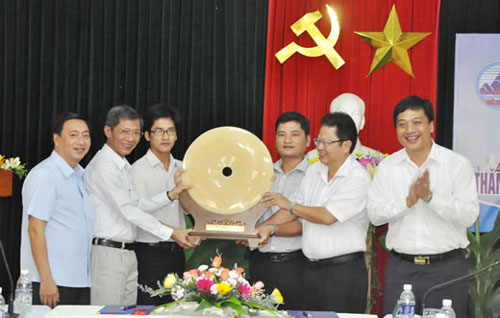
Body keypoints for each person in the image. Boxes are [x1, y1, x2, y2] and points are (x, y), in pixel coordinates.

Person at [367, 96, 479, 317]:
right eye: (402, 124)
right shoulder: (387, 167)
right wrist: (407, 202)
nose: (410, 130)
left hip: (446, 269)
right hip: (402, 268)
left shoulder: (456, 165)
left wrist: (430, 198)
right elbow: (374, 215)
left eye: (417, 122)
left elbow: (468, 215)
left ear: (431, 126)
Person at [259, 112, 371, 312]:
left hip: (343, 273)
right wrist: (264, 228)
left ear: (346, 145)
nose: (319, 147)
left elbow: (327, 216)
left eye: (326, 143)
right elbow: (292, 209)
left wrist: (289, 205)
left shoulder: (357, 177)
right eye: (319, 141)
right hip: (310, 270)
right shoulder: (314, 171)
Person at [84, 105, 196, 305]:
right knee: (108, 313)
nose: (130, 138)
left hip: (127, 253)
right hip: (110, 252)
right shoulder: (104, 167)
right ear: (108, 131)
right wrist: (172, 232)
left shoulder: (123, 166)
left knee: (128, 313)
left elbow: (139, 204)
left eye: (135, 132)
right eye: (125, 132)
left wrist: (171, 195)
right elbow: (129, 211)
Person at [20, 112, 93, 308]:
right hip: (52, 284)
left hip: (79, 280)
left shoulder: (82, 176)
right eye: (73, 135)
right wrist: (46, 280)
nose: (81, 141)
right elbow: (35, 230)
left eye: (86, 135)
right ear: (56, 139)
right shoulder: (45, 175)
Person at [248, 111, 310, 310]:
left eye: (294, 134)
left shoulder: (314, 176)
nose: (287, 140)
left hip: (295, 263)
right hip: (260, 262)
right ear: (274, 140)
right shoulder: (260, 173)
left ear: (308, 140)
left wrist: (265, 229)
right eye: (281, 134)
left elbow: (306, 224)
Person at [131, 104, 187, 305]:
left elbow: (191, 209)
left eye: (170, 131)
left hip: (178, 253)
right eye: (159, 131)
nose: (166, 137)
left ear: (176, 135)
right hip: (149, 254)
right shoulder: (136, 170)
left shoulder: (184, 168)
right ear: (147, 135)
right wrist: (171, 194)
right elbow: (138, 211)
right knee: (149, 310)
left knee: (176, 311)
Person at [307, 93, 381, 162]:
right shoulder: (312, 158)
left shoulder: (376, 160)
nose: (349, 120)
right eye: (343, 114)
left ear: (363, 121)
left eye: (355, 114)